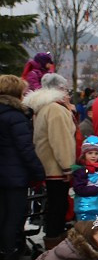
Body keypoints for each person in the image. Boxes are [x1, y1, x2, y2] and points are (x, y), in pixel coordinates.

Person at [24, 73, 77, 250]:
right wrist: (68, 167)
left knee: (56, 206)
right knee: (58, 207)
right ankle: (55, 245)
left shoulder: (42, 107)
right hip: (56, 167)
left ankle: (55, 241)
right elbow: (61, 140)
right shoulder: (55, 109)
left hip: (48, 164)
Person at [0, 75, 45, 260]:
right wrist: (38, 172)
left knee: (2, 217)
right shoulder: (16, 116)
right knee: (14, 218)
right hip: (14, 175)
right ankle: (10, 259)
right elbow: (26, 149)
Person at [71, 136, 98, 222]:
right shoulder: (81, 171)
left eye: (96, 153)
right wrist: (97, 190)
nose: (93, 156)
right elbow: (79, 189)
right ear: (84, 154)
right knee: (87, 230)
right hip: (86, 207)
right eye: (90, 153)